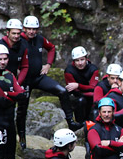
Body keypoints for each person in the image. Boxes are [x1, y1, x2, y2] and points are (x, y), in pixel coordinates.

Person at [16, 15, 82, 150]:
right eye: (28, 29)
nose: (31, 31)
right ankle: (22, 137)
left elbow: (51, 48)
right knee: (22, 110)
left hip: (38, 77)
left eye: (34, 29)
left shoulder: (40, 39)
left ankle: (71, 123)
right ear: (24, 29)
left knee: (62, 91)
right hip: (24, 80)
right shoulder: (19, 40)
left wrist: (48, 65)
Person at [64, 46, 99, 124]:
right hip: (76, 97)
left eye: (82, 59)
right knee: (81, 100)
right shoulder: (69, 71)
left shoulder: (93, 69)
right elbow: (74, 91)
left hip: (89, 96)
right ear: (73, 61)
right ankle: (80, 123)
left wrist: (78, 85)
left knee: (95, 101)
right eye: (77, 60)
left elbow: (93, 87)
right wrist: (85, 89)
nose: (80, 63)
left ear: (86, 59)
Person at [0, 18, 29, 88]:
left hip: (14, 79)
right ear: (8, 33)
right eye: (13, 33)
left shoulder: (23, 45)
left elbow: (25, 66)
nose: (16, 36)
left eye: (18, 33)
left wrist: (17, 83)